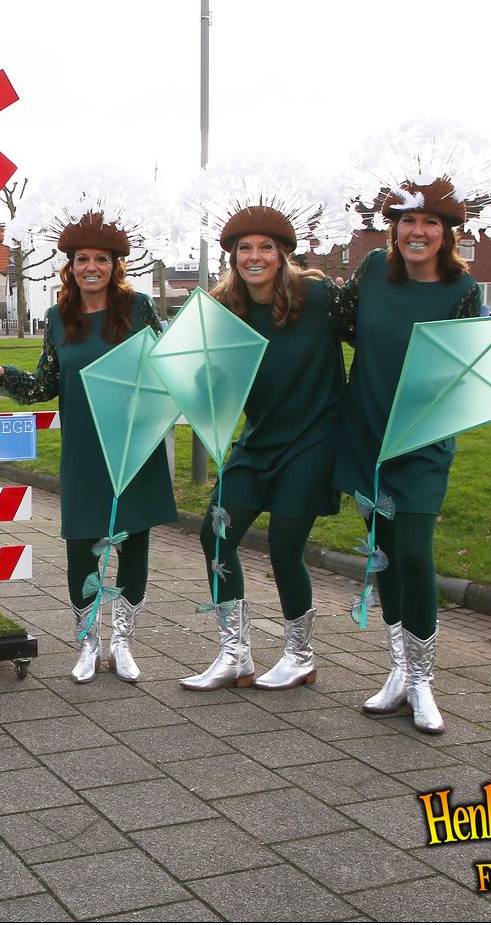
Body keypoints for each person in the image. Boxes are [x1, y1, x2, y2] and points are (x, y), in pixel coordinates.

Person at [0, 210, 173, 684]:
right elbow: (47, 382)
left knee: (134, 543)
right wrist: (4, 374)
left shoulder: (138, 308)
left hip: (132, 445)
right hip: (83, 449)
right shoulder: (58, 318)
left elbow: (167, 366)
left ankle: (122, 643)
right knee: (81, 546)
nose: (91, 267)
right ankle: (88, 642)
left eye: (101, 259)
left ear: (114, 265)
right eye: (83, 259)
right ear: (71, 265)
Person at [333, 177, 484, 735]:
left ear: (447, 232)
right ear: (393, 228)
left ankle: (423, 682)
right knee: (384, 552)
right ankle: (399, 670)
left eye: (429, 223)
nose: (417, 232)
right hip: (366, 433)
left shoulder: (463, 289)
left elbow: (469, 365)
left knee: (414, 552)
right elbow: (339, 325)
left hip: (422, 439)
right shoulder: (373, 269)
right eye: (407, 221)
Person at [181, 204, 344, 691]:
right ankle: (235, 655)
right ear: (232, 257)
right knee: (215, 535)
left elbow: (374, 334)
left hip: (313, 440)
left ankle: (300, 657)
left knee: (284, 546)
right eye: (244, 248)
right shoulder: (223, 310)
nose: (254, 257)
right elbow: (209, 378)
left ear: (283, 254)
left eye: (266, 248)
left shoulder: (317, 296)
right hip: (258, 441)